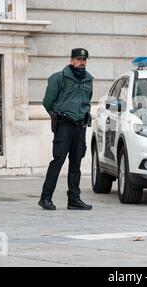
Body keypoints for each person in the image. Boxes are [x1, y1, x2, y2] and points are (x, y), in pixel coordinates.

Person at [38, 48, 93, 211]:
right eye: (78, 59)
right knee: (58, 161)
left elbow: (87, 100)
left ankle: (74, 199)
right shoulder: (58, 78)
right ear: (71, 60)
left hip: (80, 126)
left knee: (76, 163)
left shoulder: (89, 79)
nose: (81, 62)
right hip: (64, 125)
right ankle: (45, 198)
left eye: (84, 60)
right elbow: (48, 102)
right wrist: (57, 116)